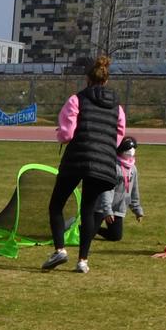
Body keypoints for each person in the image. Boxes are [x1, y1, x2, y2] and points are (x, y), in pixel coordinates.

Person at [42, 54, 125, 275]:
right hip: (103, 162)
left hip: (77, 158)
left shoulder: (77, 99)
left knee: (56, 205)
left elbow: (67, 133)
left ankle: (60, 249)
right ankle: (83, 260)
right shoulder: (117, 105)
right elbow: (119, 134)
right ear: (106, 81)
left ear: (87, 79)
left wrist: (60, 135)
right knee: (88, 209)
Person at [94, 134, 142, 242]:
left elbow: (133, 189)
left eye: (133, 148)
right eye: (128, 148)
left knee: (115, 236)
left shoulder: (133, 169)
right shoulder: (113, 166)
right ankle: (84, 228)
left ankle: (94, 229)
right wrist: (107, 210)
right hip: (102, 206)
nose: (131, 151)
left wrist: (137, 210)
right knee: (88, 233)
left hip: (117, 208)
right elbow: (107, 189)